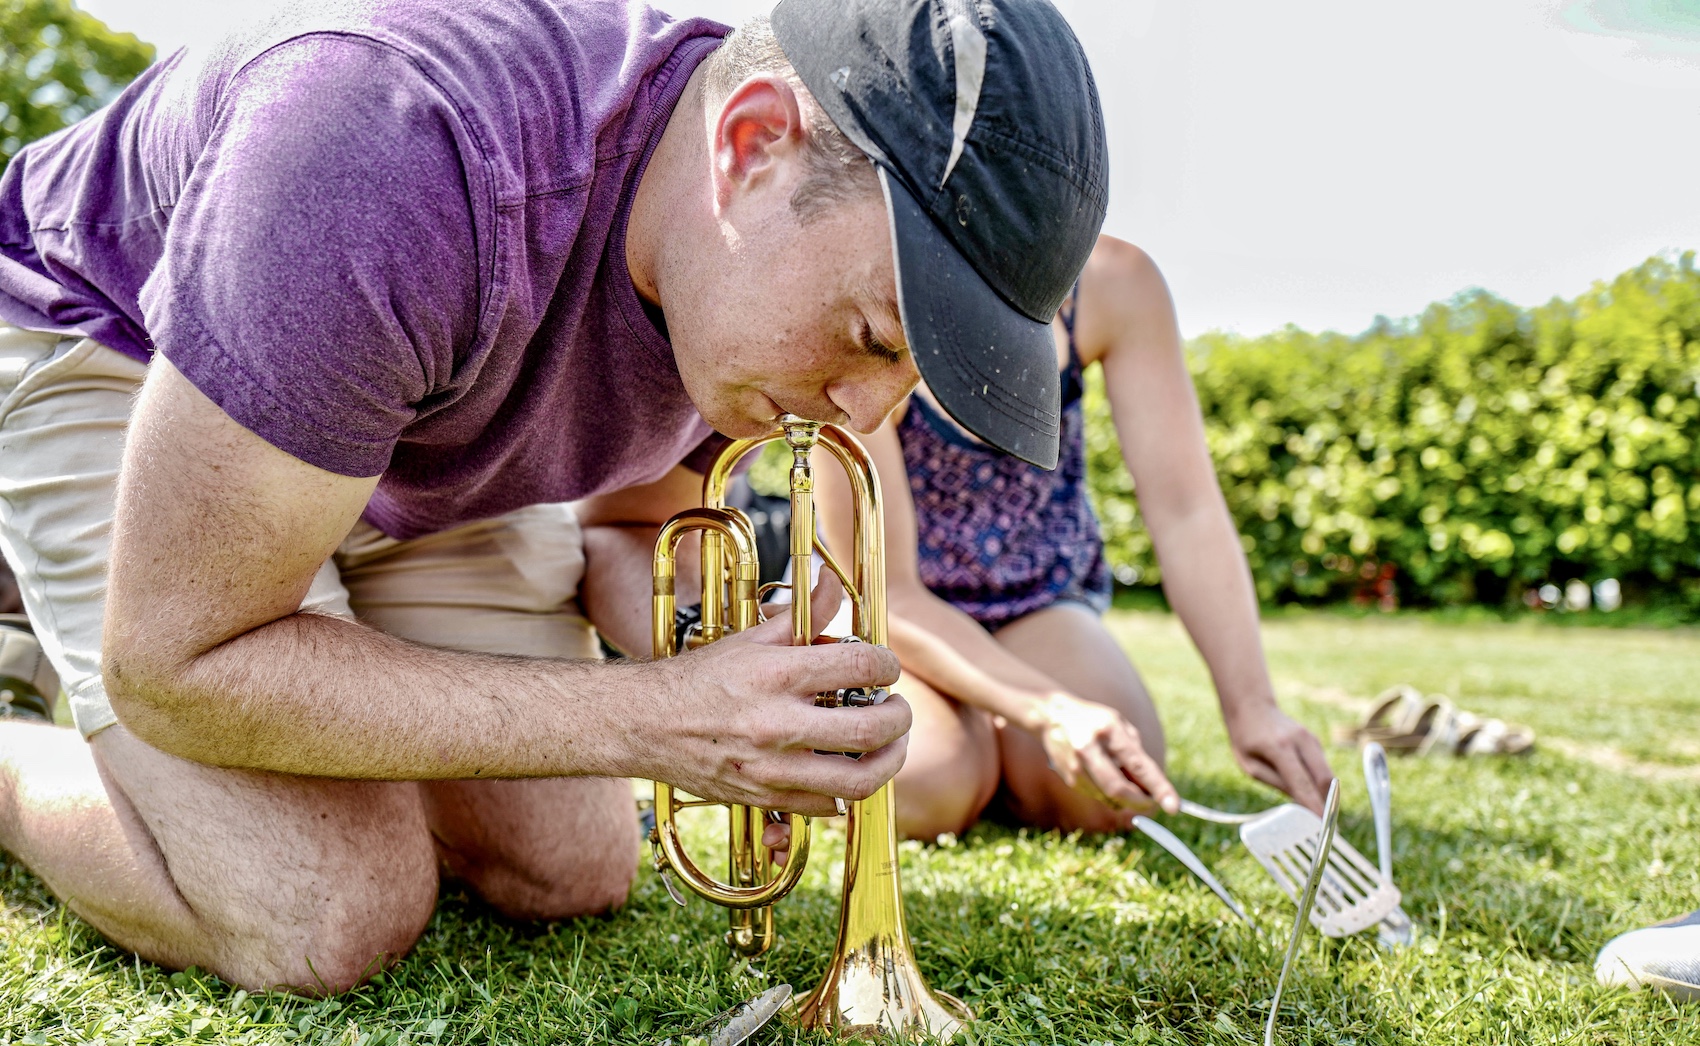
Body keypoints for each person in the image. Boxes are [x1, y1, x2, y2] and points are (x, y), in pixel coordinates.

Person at [0, 0, 1108, 992]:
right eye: (871, 338)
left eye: (904, 379)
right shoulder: (380, 140)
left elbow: (627, 531)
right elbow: (183, 661)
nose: (860, 414)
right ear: (752, 141)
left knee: (568, 865)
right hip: (115, 339)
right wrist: (653, 718)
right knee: (327, 908)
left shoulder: (731, 285)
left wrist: (713, 651)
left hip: (411, 430)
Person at [817, 237, 1333, 840]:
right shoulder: (869, 308)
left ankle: (999, 745)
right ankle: (975, 745)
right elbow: (889, 593)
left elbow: (1185, 509)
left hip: (1037, 599)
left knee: (1108, 800)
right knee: (925, 785)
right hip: (901, 615)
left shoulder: (1115, 284)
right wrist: (1049, 709)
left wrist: (1253, 707)